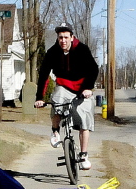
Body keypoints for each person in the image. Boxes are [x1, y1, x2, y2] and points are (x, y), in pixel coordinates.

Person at [35, 25, 98, 171]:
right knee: (56, 101)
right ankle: (55, 131)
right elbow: (44, 74)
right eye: (60, 38)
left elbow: (93, 69)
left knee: (84, 119)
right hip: (64, 86)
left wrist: (88, 87)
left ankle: (83, 155)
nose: (63, 40)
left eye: (65, 37)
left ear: (71, 37)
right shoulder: (52, 52)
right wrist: (40, 97)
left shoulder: (82, 49)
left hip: (83, 88)